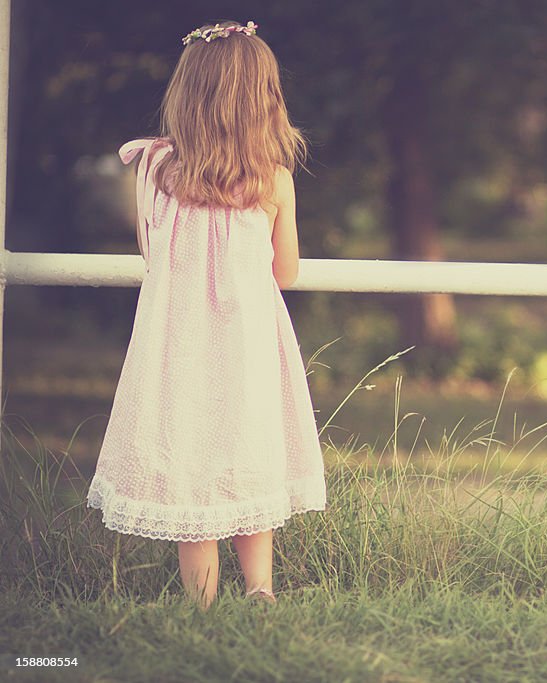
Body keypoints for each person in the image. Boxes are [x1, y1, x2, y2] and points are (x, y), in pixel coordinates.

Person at [86, 20, 326, 609]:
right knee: (248, 454)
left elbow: (150, 252)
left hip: (178, 342)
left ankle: (202, 605)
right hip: (246, 344)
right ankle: (260, 590)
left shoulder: (156, 170)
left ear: (186, 94)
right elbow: (285, 272)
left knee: (189, 459)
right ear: (263, 98)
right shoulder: (273, 179)